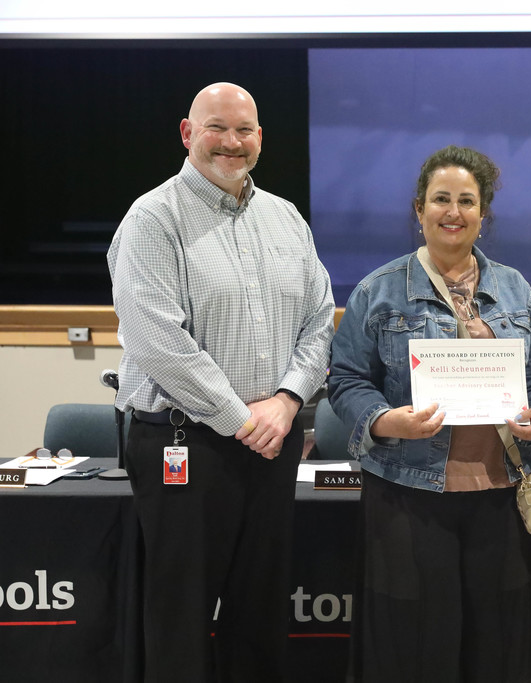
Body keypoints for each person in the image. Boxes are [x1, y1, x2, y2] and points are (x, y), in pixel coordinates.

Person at [107, 82, 335, 682]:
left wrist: (287, 403)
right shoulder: (153, 218)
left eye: (244, 130)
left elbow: (318, 321)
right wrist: (242, 420)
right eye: (218, 128)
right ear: (188, 133)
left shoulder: (285, 217)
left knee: (260, 611)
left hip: (274, 441)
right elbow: (158, 341)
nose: (231, 143)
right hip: (184, 443)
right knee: (180, 616)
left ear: (260, 138)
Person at [329, 145, 531, 682]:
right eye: (441, 200)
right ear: (419, 210)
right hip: (407, 495)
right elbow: (345, 380)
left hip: (502, 495)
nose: (453, 212)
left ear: (483, 214)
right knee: (411, 651)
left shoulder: (515, 290)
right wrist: (387, 422)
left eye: (466, 201)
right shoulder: (379, 290)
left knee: (500, 652)